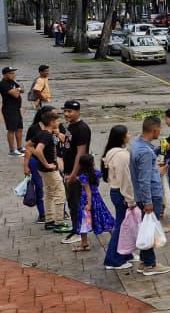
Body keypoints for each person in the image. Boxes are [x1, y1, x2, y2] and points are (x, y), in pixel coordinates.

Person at [130, 116, 170, 275]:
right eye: (159, 129)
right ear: (155, 130)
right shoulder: (145, 152)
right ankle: (150, 264)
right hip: (151, 196)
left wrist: (158, 150)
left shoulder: (137, 144)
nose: (160, 132)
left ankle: (144, 260)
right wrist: (148, 202)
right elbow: (144, 179)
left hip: (142, 195)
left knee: (146, 226)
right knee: (150, 228)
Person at [101, 125, 136, 269]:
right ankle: (112, 259)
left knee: (124, 224)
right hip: (121, 193)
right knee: (122, 227)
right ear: (122, 137)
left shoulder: (111, 152)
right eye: (128, 133)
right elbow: (125, 180)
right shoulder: (121, 155)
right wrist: (130, 200)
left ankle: (125, 253)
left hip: (116, 191)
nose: (130, 135)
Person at [60, 100, 91, 243]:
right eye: (65, 111)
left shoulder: (82, 128)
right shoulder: (71, 126)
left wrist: (73, 174)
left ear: (78, 112)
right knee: (72, 203)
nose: (66, 114)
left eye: (70, 111)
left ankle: (79, 232)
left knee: (76, 203)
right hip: (68, 170)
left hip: (77, 173)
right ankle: (76, 229)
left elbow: (80, 153)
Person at [72, 154, 115, 253]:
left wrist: (89, 204)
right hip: (97, 199)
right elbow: (97, 180)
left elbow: (88, 192)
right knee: (104, 216)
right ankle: (115, 238)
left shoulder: (83, 177)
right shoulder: (96, 173)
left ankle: (84, 243)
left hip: (86, 201)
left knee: (84, 221)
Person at [32, 110, 65, 231]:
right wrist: (46, 163)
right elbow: (38, 150)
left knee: (49, 194)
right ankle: (59, 222)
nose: (58, 123)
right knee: (60, 193)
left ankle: (49, 220)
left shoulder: (42, 133)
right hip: (50, 170)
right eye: (56, 121)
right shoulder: (46, 135)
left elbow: (29, 145)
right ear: (51, 122)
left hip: (43, 170)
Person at [23, 104, 54, 224]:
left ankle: (57, 212)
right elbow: (28, 148)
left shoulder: (57, 127)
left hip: (53, 162)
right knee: (40, 188)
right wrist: (26, 165)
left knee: (55, 187)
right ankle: (43, 214)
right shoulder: (34, 129)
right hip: (36, 162)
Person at [1, 66, 24, 156]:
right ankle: (12, 151)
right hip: (9, 109)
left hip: (17, 108)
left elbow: (22, 89)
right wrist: (18, 90)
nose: (13, 75)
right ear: (5, 74)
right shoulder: (3, 84)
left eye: (14, 73)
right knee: (11, 129)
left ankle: (19, 147)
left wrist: (17, 89)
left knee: (19, 128)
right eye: (11, 73)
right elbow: (16, 95)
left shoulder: (12, 82)